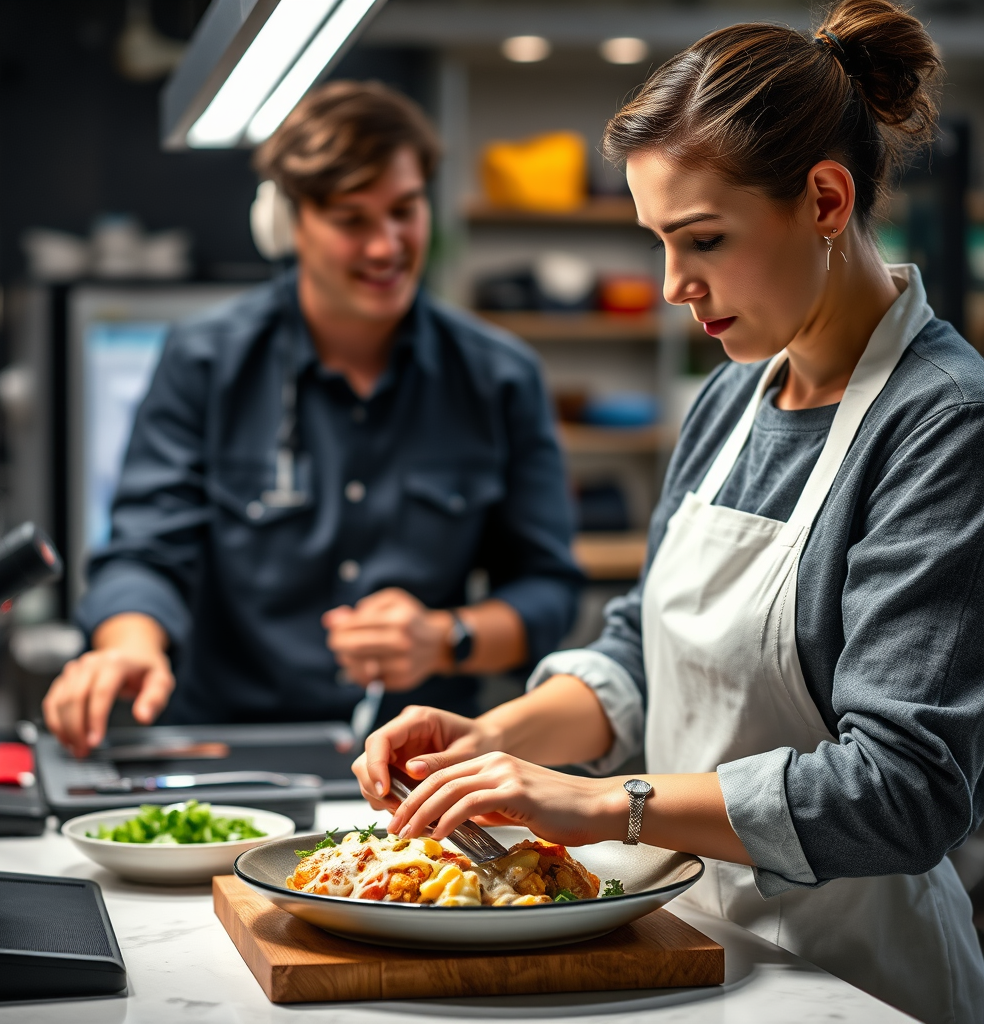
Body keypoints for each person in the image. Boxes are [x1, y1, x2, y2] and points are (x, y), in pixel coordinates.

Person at [352, 4, 984, 1021]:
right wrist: (493, 745)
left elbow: (904, 789)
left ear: (825, 198)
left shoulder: (943, 422)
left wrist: (608, 803)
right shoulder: (732, 394)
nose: (670, 286)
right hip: (694, 946)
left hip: (856, 978)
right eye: (657, 241)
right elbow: (642, 653)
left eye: (702, 240)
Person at [43, 81, 582, 757]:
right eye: (352, 220)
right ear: (286, 224)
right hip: (229, 756)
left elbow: (548, 588)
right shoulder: (206, 360)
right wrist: (129, 647)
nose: (387, 246)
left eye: (404, 211)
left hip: (423, 764)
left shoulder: (501, 375)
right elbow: (146, 549)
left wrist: (446, 637)